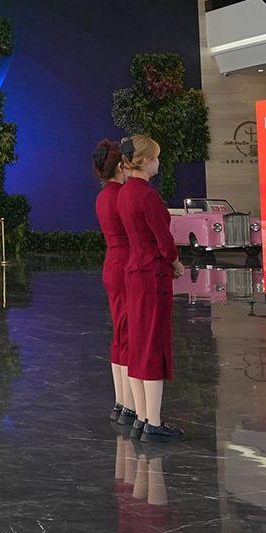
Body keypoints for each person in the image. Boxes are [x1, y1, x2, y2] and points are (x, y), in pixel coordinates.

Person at [116, 133, 184, 441]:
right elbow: (163, 240)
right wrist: (175, 262)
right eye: (156, 158)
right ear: (143, 161)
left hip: (135, 273)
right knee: (153, 344)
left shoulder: (125, 193)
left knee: (139, 343)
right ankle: (153, 422)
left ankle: (143, 418)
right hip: (152, 275)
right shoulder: (147, 196)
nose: (159, 163)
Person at [93, 139, 138, 430]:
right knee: (129, 333)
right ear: (121, 166)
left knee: (120, 333)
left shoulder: (102, 196)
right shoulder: (122, 195)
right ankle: (131, 404)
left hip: (112, 263)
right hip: (126, 266)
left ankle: (122, 402)